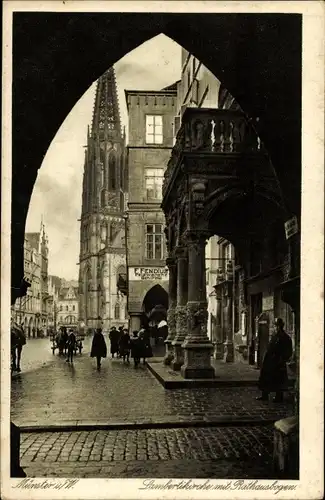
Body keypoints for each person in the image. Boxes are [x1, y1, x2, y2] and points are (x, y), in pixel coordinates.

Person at [257, 318, 293, 402]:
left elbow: (288, 351)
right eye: (275, 326)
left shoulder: (285, 337)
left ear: (281, 326)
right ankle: (264, 395)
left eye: (277, 326)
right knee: (265, 377)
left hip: (278, 362)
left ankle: (279, 397)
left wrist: (282, 359)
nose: (276, 328)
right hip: (269, 361)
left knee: (278, 379)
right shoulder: (274, 336)